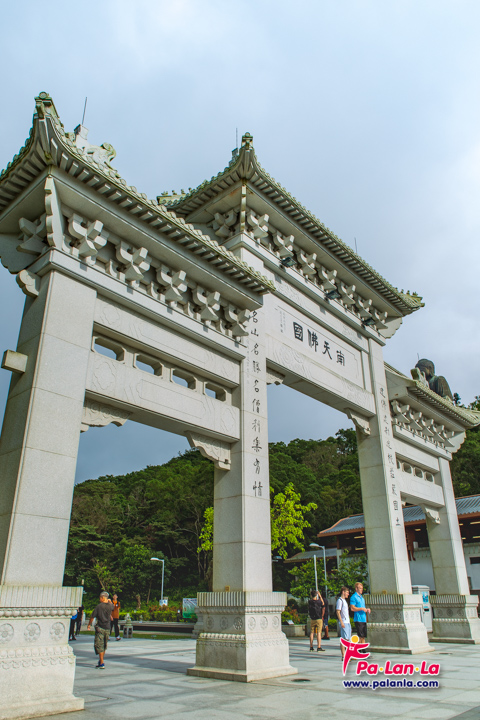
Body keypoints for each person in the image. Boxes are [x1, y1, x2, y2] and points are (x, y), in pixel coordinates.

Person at [87, 591, 114, 668]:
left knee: (99, 645)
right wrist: (110, 601)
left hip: (100, 627)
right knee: (104, 644)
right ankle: (101, 660)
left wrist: (89, 625)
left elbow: (92, 616)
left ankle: (102, 662)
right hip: (108, 627)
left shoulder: (99, 606)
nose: (99, 599)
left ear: (102, 598)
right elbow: (113, 607)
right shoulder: (110, 606)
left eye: (100, 598)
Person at [336, 586, 351, 658]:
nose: (348, 594)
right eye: (347, 592)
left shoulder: (344, 601)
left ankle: (347, 654)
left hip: (347, 622)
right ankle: (343, 654)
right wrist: (341, 621)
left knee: (347, 638)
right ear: (343, 592)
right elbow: (338, 611)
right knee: (344, 639)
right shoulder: (340, 600)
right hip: (344, 621)